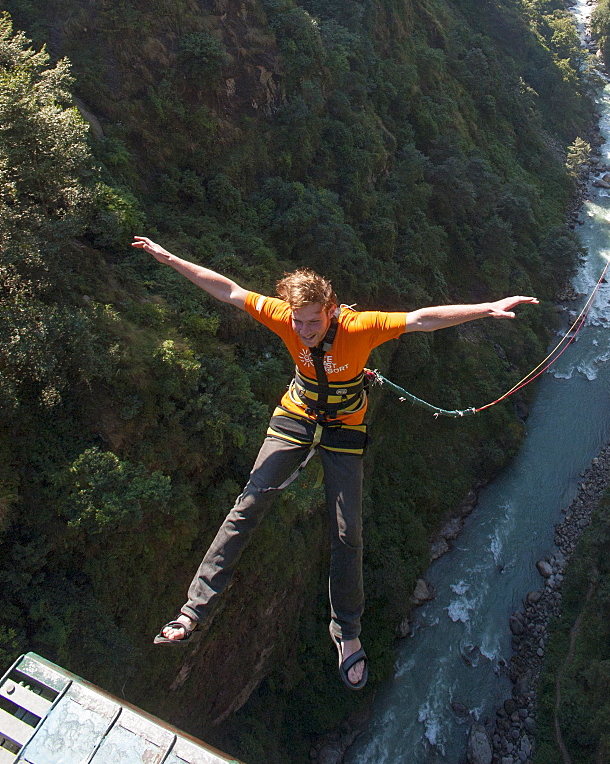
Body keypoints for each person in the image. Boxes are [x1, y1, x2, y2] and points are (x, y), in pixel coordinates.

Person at [132, 236, 538, 690]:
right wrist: (169, 258)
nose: (303, 330)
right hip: (297, 415)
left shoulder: (361, 327)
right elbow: (228, 290)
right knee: (248, 505)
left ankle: (346, 633)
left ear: (331, 310)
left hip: (345, 427)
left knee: (348, 533)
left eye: (312, 321)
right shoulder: (284, 317)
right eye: (298, 321)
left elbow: (422, 318)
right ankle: (194, 612)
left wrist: (486, 308)